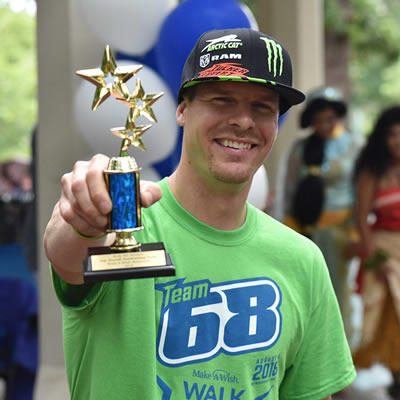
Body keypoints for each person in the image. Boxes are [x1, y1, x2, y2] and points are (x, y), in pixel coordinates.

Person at [44, 28, 356, 399]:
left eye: (262, 107)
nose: (243, 121)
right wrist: (81, 218)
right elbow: (68, 251)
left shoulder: (302, 260)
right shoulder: (121, 222)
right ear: (181, 109)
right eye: (222, 100)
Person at [276, 87, 362, 340]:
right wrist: (290, 230)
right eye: (319, 119)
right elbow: (289, 190)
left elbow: (361, 191)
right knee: (306, 291)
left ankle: (339, 346)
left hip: (341, 232)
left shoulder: (355, 146)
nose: (325, 124)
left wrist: (358, 231)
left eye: (330, 118)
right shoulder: (300, 149)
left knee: (338, 290)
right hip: (305, 231)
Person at [352, 106, 400, 399]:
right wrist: (377, 261)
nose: (398, 140)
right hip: (384, 257)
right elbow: (361, 220)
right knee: (389, 323)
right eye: (392, 134)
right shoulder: (372, 173)